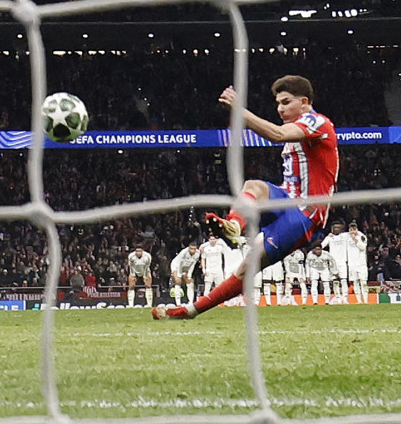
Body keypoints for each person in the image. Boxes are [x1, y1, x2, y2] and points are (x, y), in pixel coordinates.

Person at [154, 75, 338, 320]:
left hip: (305, 213)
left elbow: (277, 134)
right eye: (278, 104)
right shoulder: (300, 129)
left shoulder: (317, 122)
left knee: (247, 267)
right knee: (254, 186)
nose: (280, 108)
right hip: (286, 198)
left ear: (304, 102)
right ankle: (233, 226)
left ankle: (191, 310)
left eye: (286, 102)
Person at [323, 222, 351, 304]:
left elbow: (356, 233)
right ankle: (338, 298)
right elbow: (321, 245)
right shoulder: (330, 238)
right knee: (335, 281)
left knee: (344, 280)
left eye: (338, 227)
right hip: (333, 263)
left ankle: (345, 298)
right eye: (335, 227)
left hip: (342, 261)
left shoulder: (345, 236)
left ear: (342, 229)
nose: (336, 229)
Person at [346, 222, 369, 304]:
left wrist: (356, 240)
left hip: (361, 264)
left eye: (354, 229)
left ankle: (366, 300)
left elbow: (363, 247)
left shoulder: (362, 236)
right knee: (355, 282)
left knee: (363, 282)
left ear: (357, 229)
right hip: (352, 264)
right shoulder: (347, 237)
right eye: (351, 230)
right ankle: (359, 300)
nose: (352, 232)